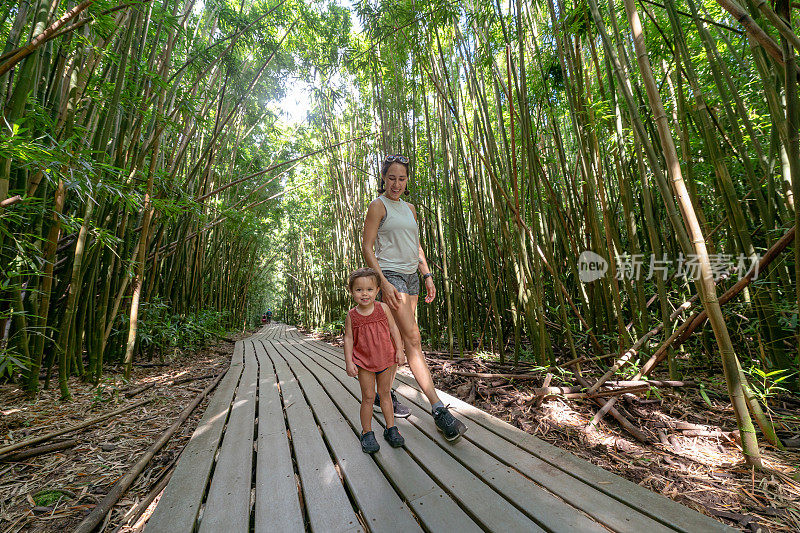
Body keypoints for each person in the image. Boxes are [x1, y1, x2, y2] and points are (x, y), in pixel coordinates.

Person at [361, 153, 467, 442]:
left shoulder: (410, 208)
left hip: (411, 277)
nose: (396, 183)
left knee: (401, 343)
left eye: (402, 179)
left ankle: (386, 395)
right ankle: (438, 409)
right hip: (391, 277)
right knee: (413, 339)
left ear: (408, 180)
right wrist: (382, 281)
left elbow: (416, 245)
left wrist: (427, 274)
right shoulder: (377, 206)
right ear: (383, 177)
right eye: (391, 178)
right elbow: (368, 247)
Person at [344, 267, 406, 453]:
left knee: (385, 394)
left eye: (369, 289)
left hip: (387, 359)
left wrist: (400, 350)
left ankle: (391, 428)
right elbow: (348, 339)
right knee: (369, 397)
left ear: (377, 290)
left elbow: (394, 329)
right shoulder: (352, 315)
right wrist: (349, 361)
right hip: (364, 362)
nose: (365, 294)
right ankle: (367, 432)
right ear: (351, 292)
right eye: (359, 290)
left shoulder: (383, 308)